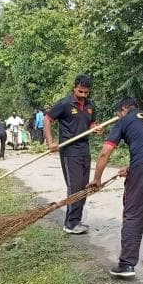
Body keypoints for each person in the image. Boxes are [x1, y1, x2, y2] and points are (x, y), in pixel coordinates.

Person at [88, 97, 143, 277]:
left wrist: (96, 179)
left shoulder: (123, 121)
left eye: (118, 114)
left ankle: (126, 264)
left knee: (133, 212)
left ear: (123, 110)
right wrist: (132, 168)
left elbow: (105, 152)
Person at [44, 74, 102, 234]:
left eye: (86, 92)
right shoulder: (64, 103)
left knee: (84, 187)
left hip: (85, 149)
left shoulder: (90, 105)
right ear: (74, 87)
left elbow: (92, 122)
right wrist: (51, 142)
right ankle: (70, 224)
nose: (83, 95)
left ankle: (76, 221)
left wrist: (96, 127)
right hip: (69, 151)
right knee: (75, 186)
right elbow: (47, 119)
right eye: (80, 92)